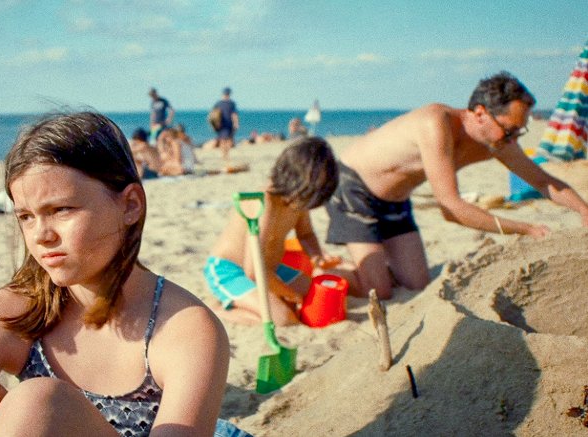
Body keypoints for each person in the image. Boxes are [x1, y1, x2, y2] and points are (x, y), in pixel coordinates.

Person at [0, 111, 244, 437]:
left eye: (61, 210)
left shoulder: (183, 328)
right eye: (26, 216)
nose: (41, 235)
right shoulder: (10, 313)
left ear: (130, 205)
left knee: (37, 403)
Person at [326, 71, 588, 301]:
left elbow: (543, 181)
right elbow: (450, 209)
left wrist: (583, 209)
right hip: (353, 187)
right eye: (509, 131)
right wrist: (525, 229)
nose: (514, 139)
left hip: (396, 200)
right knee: (380, 292)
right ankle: (322, 271)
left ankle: (371, 265)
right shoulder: (436, 123)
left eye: (519, 132)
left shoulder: (496, 142)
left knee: (416, 284)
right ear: (480, 113)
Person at [203, 137, 356, 326]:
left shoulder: (297, 201)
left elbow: (306, 234)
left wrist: (317, 257)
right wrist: (289, 294)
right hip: (231, 270)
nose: (310, 201)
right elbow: (253, 272)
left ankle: (252, 301)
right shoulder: (264, 203)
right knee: (283, 319)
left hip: (271, 268)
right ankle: (218, 310)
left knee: (316, 295)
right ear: (293, 179)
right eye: (311, 192)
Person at [212, 87, 239, 160]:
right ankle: (225, 155)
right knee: (225, 140)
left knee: (226, 140)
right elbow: (214, 114)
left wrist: (236, 123)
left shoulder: (228, 103)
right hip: (223, 124)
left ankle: (225, 155)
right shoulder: (224, 103)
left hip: (225, 124)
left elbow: (234, 114)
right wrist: (236, 123)